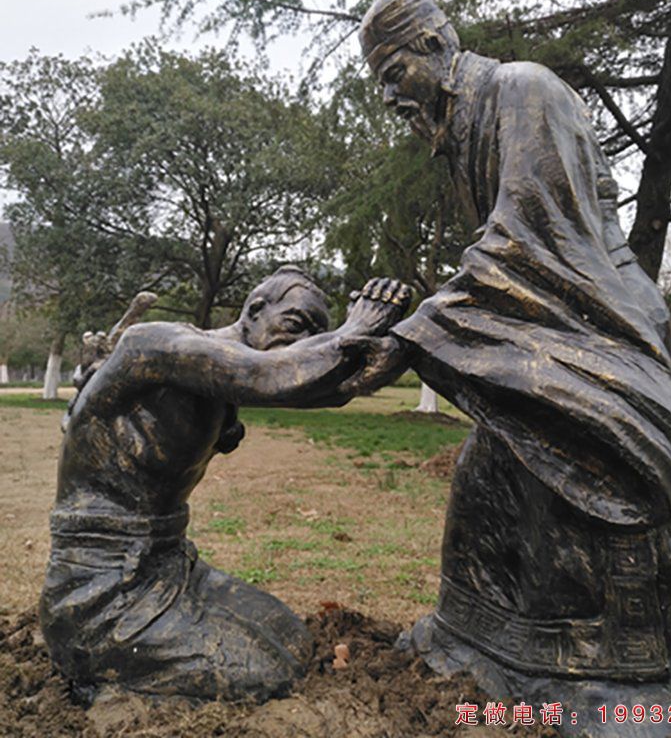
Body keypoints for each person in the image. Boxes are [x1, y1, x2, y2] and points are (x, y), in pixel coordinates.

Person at [357, 0, 671, 728]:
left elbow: (527, 234)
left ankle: (642, 677)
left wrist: (416, 329)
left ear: (433, 45)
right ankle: (479, 640)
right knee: (488, 470)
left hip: (594, 325)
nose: (390, 96)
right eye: (379, 83)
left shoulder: (522, 90)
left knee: (592, 476)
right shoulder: (457, 130)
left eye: (395, 74)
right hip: (542, 326)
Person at [40, 266, 409, 702]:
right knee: (269, 673)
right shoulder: (158, 345)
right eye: (294, 325)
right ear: (255, 309)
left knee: (292, 642)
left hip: (167, 565)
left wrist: (399, 338)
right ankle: (103, 688)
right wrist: (359, 326)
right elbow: (274, 374)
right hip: (97, 587)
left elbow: (327, 384)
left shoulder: (221, 376)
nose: (299, 343)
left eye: (312, 335)